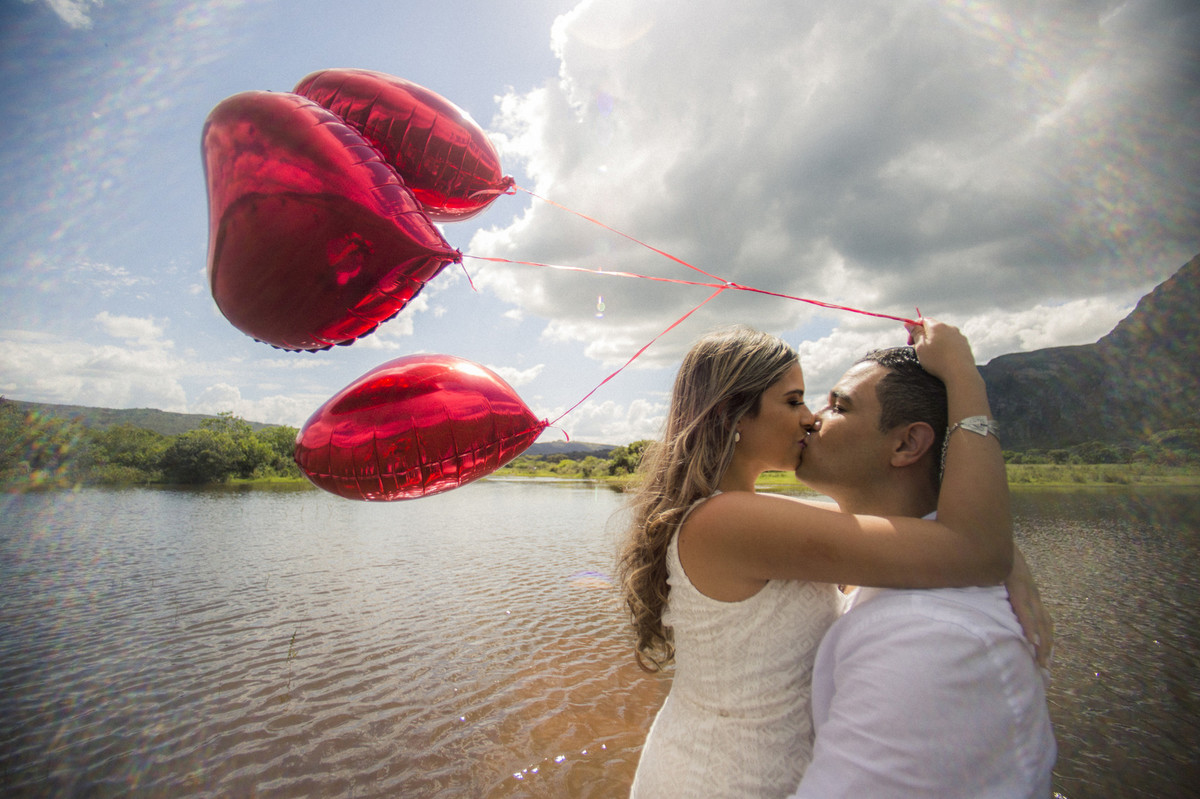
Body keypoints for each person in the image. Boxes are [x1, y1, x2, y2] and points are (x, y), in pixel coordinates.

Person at [618, 319, 1043, 798]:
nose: (809, 418)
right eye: (793, 400)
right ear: (732, 414)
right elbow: (970, 551)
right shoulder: (729, 522)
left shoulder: (744, 516)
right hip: (727, 777)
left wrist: (1010, 558)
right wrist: (964, 374)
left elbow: (905, 531)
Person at [788, 345, 1055, 798]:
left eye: (838, 406)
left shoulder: (928, 639)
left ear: (907, 444)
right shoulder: (920, 568)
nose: (812, 417)